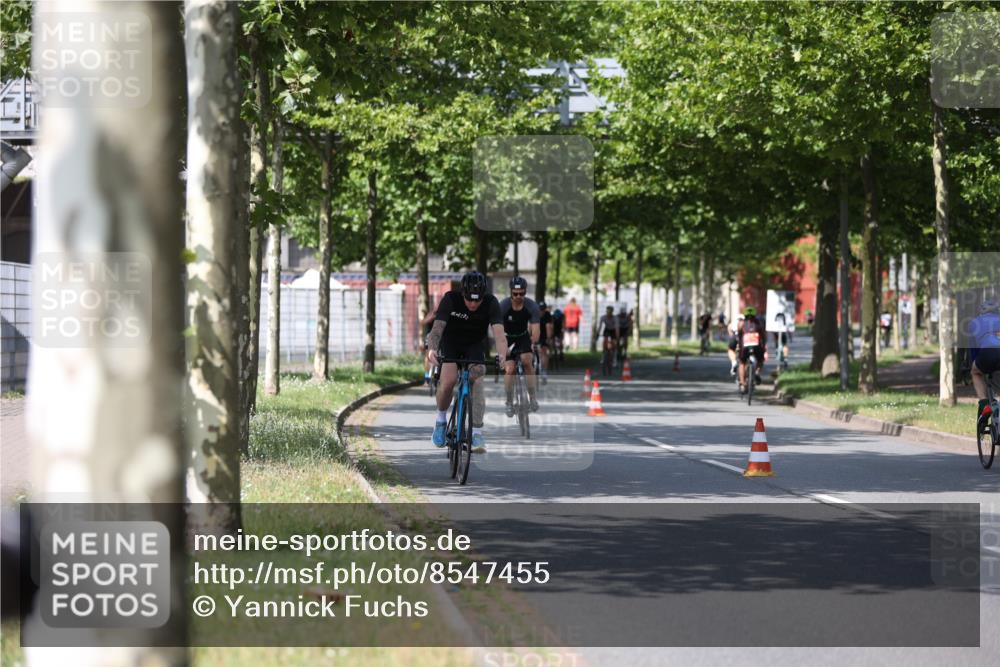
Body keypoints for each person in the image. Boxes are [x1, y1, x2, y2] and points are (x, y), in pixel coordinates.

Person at [426, 272, 507, 453]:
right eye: (469, 299)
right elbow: (437, 330)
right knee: (448, 380)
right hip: (451, 343)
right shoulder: (451, 300)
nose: (472, 304)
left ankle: (476, 431)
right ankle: (440, 421)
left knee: (478, 379)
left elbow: (500, 335)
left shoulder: (491, 303)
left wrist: (502, 355)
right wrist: (432, 349)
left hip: (474, 345)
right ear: (463, 293)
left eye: (477, 301)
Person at [500, 276, 541, 416]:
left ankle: (533, 398)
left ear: (525, 292)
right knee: (510, 369)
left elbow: (535, 330)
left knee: (527, 361)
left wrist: (533, 342)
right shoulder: (503, 306)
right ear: (511, 292)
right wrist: (502, 346)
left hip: (523, 337)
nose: (518, 296)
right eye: (515, 293)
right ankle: (509, 401)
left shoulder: (532, 306)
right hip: (506, 338)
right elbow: (496, 329)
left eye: (522, 293)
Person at [969, 299, 1000, 430]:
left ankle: (984, 403)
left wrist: (975, 362)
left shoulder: (973, 323)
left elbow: (973, 349)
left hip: (987, 353)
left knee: (975, 372)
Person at [736, 306, 766, 393]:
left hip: (745, 347)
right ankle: (757, 372)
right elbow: (763, 336)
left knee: (742, 363)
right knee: (760, 360)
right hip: (756, 346)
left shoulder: (741, 323)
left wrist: (739, 345)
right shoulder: (758, 323)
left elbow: (739, 336)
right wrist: (763, 346)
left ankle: (742, 384)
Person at [537, 302, 555, 382]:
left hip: (544, 336)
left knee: (544, 352)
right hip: (536, 334)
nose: (541, 312)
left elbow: (549, 327)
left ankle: (544, 370)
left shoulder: (547, 315)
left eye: (542, 310)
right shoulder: (535, 314)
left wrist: (548, 338)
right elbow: (530, 326)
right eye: (540, 310)